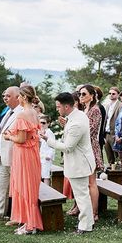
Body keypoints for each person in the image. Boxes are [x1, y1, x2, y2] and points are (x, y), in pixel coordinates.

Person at [46, 92, 96, 234]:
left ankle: (85, 226)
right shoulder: (77, 116)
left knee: (81, 195)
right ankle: (88, 222)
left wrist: (48, 141)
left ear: (66, 106)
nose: (57, 109)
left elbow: (68, 147)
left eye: (58, 106)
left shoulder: (77, 123)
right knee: (82, 194)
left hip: (78, 163)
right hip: (80, 161)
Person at [4, 85, 43, 235]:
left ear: (24, 97)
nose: (18, 99)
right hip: (32, 154)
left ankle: (30, 225)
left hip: (24, 155)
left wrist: (8, 136)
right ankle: (28, 222)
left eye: (19, 96)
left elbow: (21, 139)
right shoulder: (34, 112)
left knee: (25, 188)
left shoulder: (22, 115)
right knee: (29, 189)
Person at [79, 85, 102, 220]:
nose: (81, 96)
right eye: (80, 94)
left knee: (91, 181)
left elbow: (91, 130)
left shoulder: (95, 110)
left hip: (91, 147)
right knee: (84, 181)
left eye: (83, 94)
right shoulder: (84, 109)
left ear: (92, 96)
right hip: (82, 147)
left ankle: (94, 213)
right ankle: (85, 210)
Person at [103, 87, 120, 167]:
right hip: (106, 134)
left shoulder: (120, 105)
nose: (111, 95)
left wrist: (117, 135)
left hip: (114, 134)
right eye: (110, 93)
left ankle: (119, 177)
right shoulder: (108, 106)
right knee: (109, 158)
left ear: (118, 95)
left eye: (113, 94)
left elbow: (119, 122)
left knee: (117, 158)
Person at [39, 115, 56, 185]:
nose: (41, 124)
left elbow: (53, 145)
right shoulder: (40, 132)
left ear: (48, 124)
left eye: (44, 123)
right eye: (40, 122)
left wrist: (49, 155)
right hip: (40, 156)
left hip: (46, 157)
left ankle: (48, 190)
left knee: (46, 176)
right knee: (40, 174)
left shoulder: (49, 133)